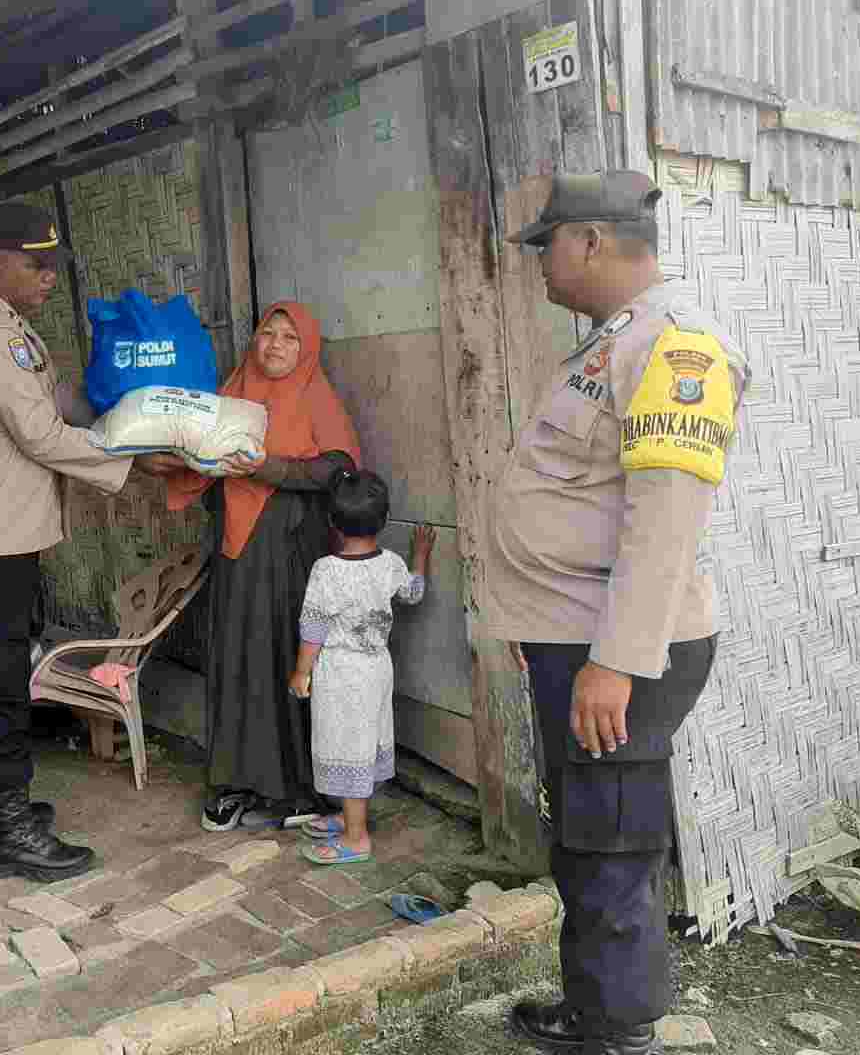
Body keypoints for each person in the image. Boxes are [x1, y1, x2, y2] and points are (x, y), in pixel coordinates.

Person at [486, 172, 750, 1055]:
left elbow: (665, 519)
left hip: (624, 649)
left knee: (613, 845)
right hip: (579, 638)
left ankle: (619, 1031)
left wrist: (614, 661)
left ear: (591, 241)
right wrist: (547, 634)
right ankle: (596, 1006)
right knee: (588, 835)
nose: (539, 267)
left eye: (546, 246)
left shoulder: (676, 349)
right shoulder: (612, 344)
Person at [0, 202, 134, 883]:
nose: (48, 277)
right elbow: (41, 436)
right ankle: (8, 832)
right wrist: (132, 459)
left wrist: (121, 417)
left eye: (52, 265)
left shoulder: (4, 326)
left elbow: (54, 399)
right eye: (35, 264)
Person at [152, 302, 361, 832]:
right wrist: (168, 455)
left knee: (289, 656)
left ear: (305, 348)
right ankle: (234, 782)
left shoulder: (316, 396)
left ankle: (300, 788)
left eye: (289, 338)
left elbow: (339, 469)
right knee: (237, 657)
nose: (275, 345)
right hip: (237, 549)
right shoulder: (232, 391)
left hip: (293, 550)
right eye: (267, 334)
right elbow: (196, 449)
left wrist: (270, 468)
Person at [289, 469, 433, 865]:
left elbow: (313, 626)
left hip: (340, 674)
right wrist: (420, 557)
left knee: (344, 746)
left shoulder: (325, 570)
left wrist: (302, 672)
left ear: (332, 523)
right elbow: (414, 594)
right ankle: (347, 816)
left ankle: (356, 838)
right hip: (376, 670)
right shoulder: (389, 564)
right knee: (358, 744)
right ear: (384, 521)